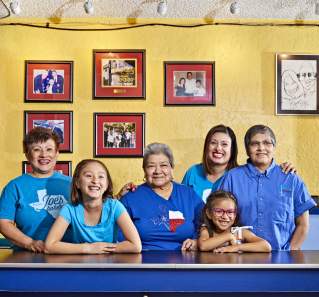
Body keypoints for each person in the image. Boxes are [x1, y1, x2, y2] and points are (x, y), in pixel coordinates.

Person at [220, 125, 316, 250]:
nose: (261, 148)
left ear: (274, 147)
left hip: (282, 257)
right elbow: (219, 219)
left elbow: (303, 225)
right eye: (255, 144)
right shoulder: (231, 178)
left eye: (267, 143)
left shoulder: (291, 178)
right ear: (247, 149)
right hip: (240, 256)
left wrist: (289, 252)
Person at [45, 159, 141, 254]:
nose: (95, 180)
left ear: (107, 184)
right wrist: (89, 248)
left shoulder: (115, 206)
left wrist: (103, 248)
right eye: (89, 176)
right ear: (77, 183)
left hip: (109, 265)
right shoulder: (69, 209)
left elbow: (136, 246)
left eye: (101, 176)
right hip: (80, 265)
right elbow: (49, 246)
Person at [120, 143, 204, 251]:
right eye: (151, 166)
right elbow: (119, 237)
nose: (158, 171)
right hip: (143, 262)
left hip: (185, 261)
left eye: (163, 165)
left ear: (171, 167)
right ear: (144, 170)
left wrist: (198, 242)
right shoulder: (130, 198)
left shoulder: (188, 194)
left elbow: (207, 224)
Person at [182, 124, 296, 202]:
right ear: (206, 146)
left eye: (224, 144)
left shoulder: (238, 177)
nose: (218, 148)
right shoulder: (193, 173)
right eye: (213, 143)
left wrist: (280, 170)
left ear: (232, 150)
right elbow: (180, 204)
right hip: (193, 235)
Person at [0, 127, 71, 252]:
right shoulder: (14, 186)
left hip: (69, 254)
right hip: (26, 256)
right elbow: (4, 223)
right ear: (27, 154)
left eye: (49, 149)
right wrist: (31, 243)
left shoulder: (72, 184)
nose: (44, 155)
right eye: (37, 150)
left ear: (57, 153)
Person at [198, 190, 271, 253]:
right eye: (219, 211)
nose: (225, 217)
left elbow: (266, 246)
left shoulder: (240, 232)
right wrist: (228, 236)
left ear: (235, 215)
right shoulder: (206, 230)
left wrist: (236, 247)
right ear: (209, 213)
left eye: (230, 212)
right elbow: (203, 246)